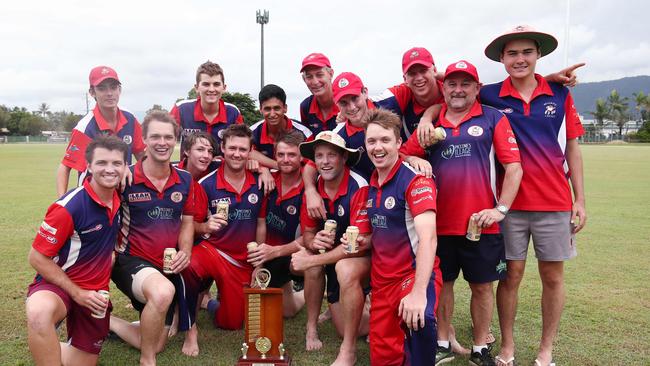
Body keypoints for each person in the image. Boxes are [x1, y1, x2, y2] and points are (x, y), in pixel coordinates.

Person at [401, 60, 523, 366]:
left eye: (466, 83)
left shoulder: (493, 118)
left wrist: (501, 210)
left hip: (480, 223)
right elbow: (401, 153)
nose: (458, 89)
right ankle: (442, 341)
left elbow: (514, 168)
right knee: (443, 284)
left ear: (477, 88)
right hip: (438, 223)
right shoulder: (431, 124)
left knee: (482, 286)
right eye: (452, 83)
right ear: (443, 89)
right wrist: (416, 161)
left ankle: (480, 347)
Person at [479, 25, 587, 366]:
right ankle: (508, 346)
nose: (520, 59)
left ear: (538, 55)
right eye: (512, 53)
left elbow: (572, 147)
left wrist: (580, 199)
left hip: (555, 202)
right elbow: (452, 91)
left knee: (553, 277)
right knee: (510, 277)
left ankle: (546, 350)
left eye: (527, 52)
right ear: (502, 58)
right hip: (507, 205)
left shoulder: (559, 94)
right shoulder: (490, 94)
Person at [26, 135, 128, 365]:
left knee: (81, 362)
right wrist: (76, 292)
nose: (109, 169)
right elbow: (36, 257)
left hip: (95, 295)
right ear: (89, 166)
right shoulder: (69, 207)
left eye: (117, 163)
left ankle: (46, 343)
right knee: (38, 313)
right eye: (102, 163)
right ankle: (43, 342)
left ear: (125, 167)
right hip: (58, 284)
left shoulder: (120, 198)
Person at [354, 108, 441, 365]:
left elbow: (428, 239)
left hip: (410, 276)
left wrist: (418, 292)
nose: (377, 147)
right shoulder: (372, 184)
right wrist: (365, 242)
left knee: (420, 318)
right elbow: (388, 231)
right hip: (382, 285)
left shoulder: (415, 181)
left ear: (399, 143)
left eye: (385, 140)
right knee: (384, 359)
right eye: (371, 141)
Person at [110, 111, 194, 365]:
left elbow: (188, 221)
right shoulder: (125, 177)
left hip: (165, 267)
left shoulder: (185, 179)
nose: (162, 142)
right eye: (155, 136)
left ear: (176, 140)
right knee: (162, 292)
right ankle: (147, 361)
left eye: (168, 137)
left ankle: (105, 321)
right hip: (129, 262)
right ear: (143, 140)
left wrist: (186, 251)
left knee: (157, 341)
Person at [290, 130, 370, 365]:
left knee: (352, 329)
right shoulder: (312, 189)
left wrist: (311, 259)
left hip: (356, 259)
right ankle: (311, 327)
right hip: (331, 259)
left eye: (331, 155)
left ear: (344, 157)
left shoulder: (359, 186)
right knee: (312, 261)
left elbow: (359, 247)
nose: (324, 162)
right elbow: (307, 232)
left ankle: (377, 307)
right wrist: (312, 242)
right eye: (319, 156)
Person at [183, 124, 266, 345]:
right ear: (222, 148)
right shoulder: (206, 184)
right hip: (213, 250)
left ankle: (209, 304)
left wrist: (259, 260)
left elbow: (260, 224)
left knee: (231, 323)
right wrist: (206, 226)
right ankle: (188, 322)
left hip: (242, 262)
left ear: (250, 151)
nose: (237, 154)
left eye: (242, 149)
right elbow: (192, 226)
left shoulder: (261, 182)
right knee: (188, 264)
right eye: (232, 148)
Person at [56, 66, 145, 197]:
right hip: (92, 197)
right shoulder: (85, 127)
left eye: (113, 87)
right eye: (102, 88)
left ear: (119, 90)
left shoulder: (130, 119)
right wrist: (61, 203)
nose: (109, 93)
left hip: (123, 195)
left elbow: (142, 157)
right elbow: (65, 167)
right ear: (92, 92)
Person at [248, 130, 306, 317]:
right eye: (281, 155)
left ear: (301, 156)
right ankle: (293, 290)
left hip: (294, 253)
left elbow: (310, 236)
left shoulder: (310, 186)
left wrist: (276, 251)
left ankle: (312, 289)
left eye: (291, 154)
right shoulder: (269, 180)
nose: (286, 159)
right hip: (269, 254)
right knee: (287, 312)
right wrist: (259, 260)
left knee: (309, 265)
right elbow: (261, 223)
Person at [303, 71, 376, 220]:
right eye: (344, 103)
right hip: (363, 201)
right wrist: (310, 191)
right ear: (337, 105)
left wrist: (410, 157)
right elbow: (311, 165)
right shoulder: (338, 134)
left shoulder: (388, 104)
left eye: (355, 98)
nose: (351, 107)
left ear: (365, 92)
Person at [170, 60, 243, 154]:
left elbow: (243, 143)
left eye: (216, 84)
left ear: (224, 88)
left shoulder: (233, 112)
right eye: (206, 84)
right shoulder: (181, 109)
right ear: (196, 87)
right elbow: (160, 134)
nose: (211, 89)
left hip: (221, 167)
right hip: (189, 168)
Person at [374, 47, 444, 141]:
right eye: (412, 73)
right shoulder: (402, 94)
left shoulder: (453, 90)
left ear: (435, 71)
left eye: (423, 70)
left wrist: (449, 76)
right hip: (410, 153)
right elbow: (366, 105)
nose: (419, 78)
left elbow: (470, 82)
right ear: (405, 79)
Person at [249, 84, 313, 169]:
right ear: (261, 109)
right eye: (267, 109)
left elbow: (311, 164)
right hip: (263, 180)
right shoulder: (252, 132)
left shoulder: (305, 133)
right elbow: (247, 153)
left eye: (276, 108)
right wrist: (265, 170)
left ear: (285, 108)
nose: (272, 114)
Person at [299, 52, 340, 134]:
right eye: (309, 76)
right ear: (304, 79)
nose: (315, 82)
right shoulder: (306, 107)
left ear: (331, 74)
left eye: (319, 75)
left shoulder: (346, 101)